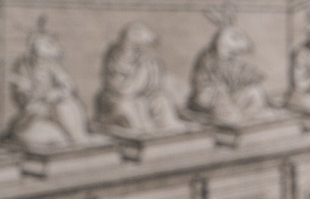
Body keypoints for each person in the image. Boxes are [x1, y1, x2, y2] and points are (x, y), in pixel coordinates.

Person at [6, 18, 91, 148]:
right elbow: (25, 100)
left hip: (52, 111)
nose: (43, 62)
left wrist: (57, 94)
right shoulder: (23, 67)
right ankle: (76, 141)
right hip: (32, 117)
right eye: (40, 57)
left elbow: (68, 85)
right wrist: (42, 96)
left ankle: (79, 139)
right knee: (58, 136)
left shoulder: (51, 66)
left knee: (68, 104)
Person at [188, 8, 272, 124]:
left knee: (256, 91)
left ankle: (250, 116)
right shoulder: (207, 59)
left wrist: (253, 77)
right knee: (223, 100)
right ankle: (234, 119)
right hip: (210, 100)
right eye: (234, 38)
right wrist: (218, 90)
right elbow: (204, 86)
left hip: (230, 96)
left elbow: (240, 74)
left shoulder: (232, 60)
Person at [95, 22, 183, 134]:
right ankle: (144, 132)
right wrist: (139, 79)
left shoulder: (144, 59)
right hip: (117, 99)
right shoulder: (113, 60)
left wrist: (150, 90)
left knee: (162, 100)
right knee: (130, 107)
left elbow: (153, 84)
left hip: (142, 97)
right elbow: (119, 89)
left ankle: (170, 129)